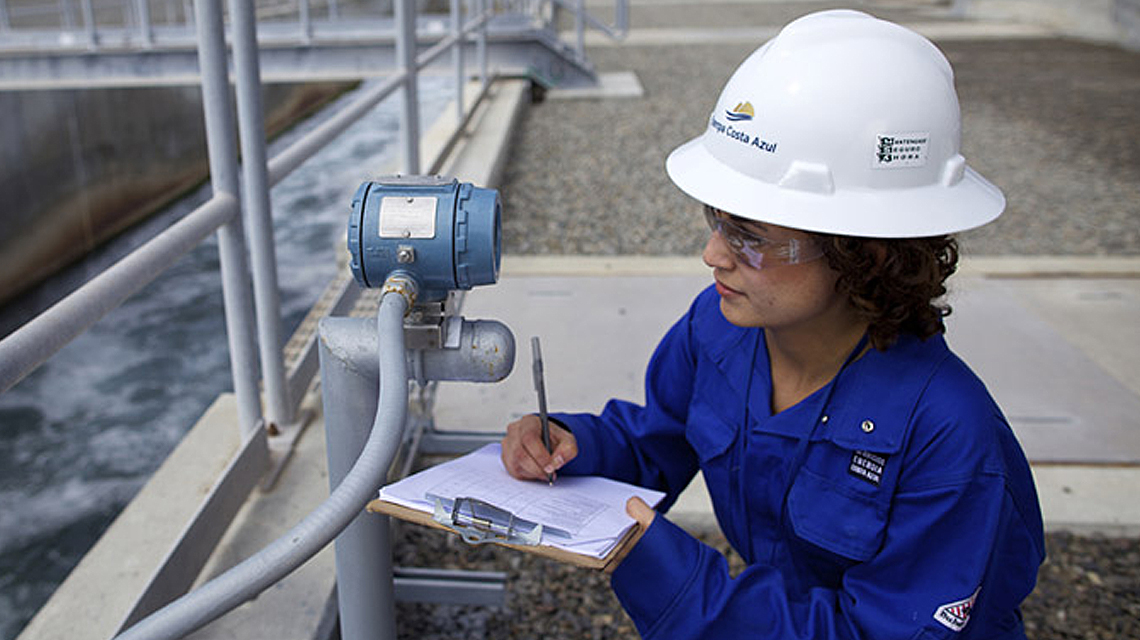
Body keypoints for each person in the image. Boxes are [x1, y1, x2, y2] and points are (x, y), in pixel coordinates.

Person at [500, 9, 1044, 640]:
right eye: (716, 220)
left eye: (750, 238)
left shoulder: (949, 439)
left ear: (863, 252)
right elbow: (659, 437)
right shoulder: (722, 327)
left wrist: (680, 587)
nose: (713, 255)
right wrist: (571, 444)